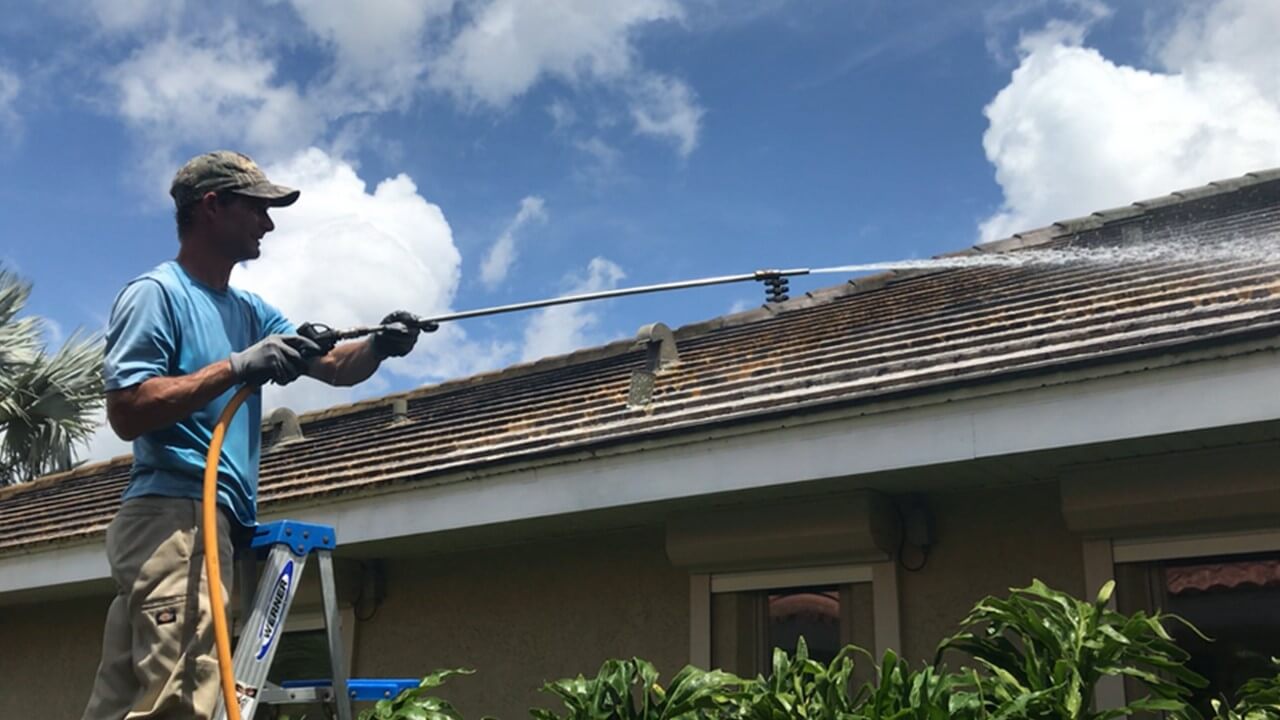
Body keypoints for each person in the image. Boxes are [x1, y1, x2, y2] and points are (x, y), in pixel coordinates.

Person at [81, 150, 428, 720]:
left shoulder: (249, 308)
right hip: (175, 517)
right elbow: (128, 409)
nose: (267, 224)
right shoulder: (157, 293)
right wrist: (237, 367)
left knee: (126, 701)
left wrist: (380, 346)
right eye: (258, 209)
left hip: (209, 519)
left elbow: (334, 366)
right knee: (182, 699)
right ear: (212, 207)